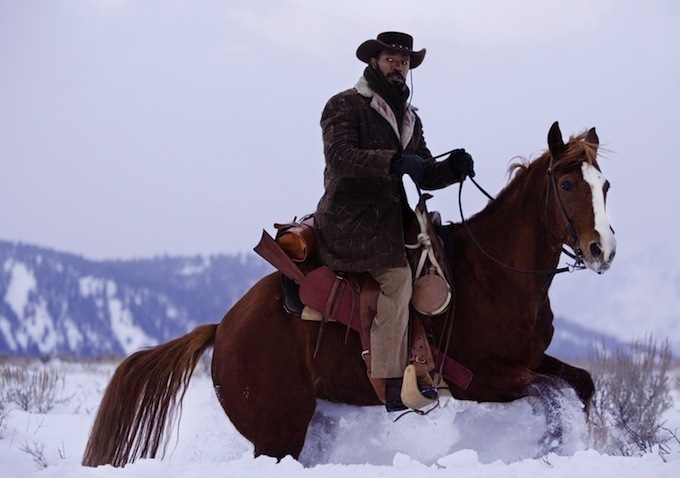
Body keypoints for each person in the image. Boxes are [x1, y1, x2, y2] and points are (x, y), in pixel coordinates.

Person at [314, 31, 475, 412]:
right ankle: (389, 383)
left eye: (404, 62)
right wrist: (392, 161)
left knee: (442, 260)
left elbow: (423, 170)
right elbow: (340, 157)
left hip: (390, 220)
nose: (398, 67)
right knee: (398, 279)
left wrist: (451, 169)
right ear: (374, 62)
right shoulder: (344, 105)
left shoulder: (408, 118)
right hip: (350, 221)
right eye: (391, 59)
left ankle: (428, 362)